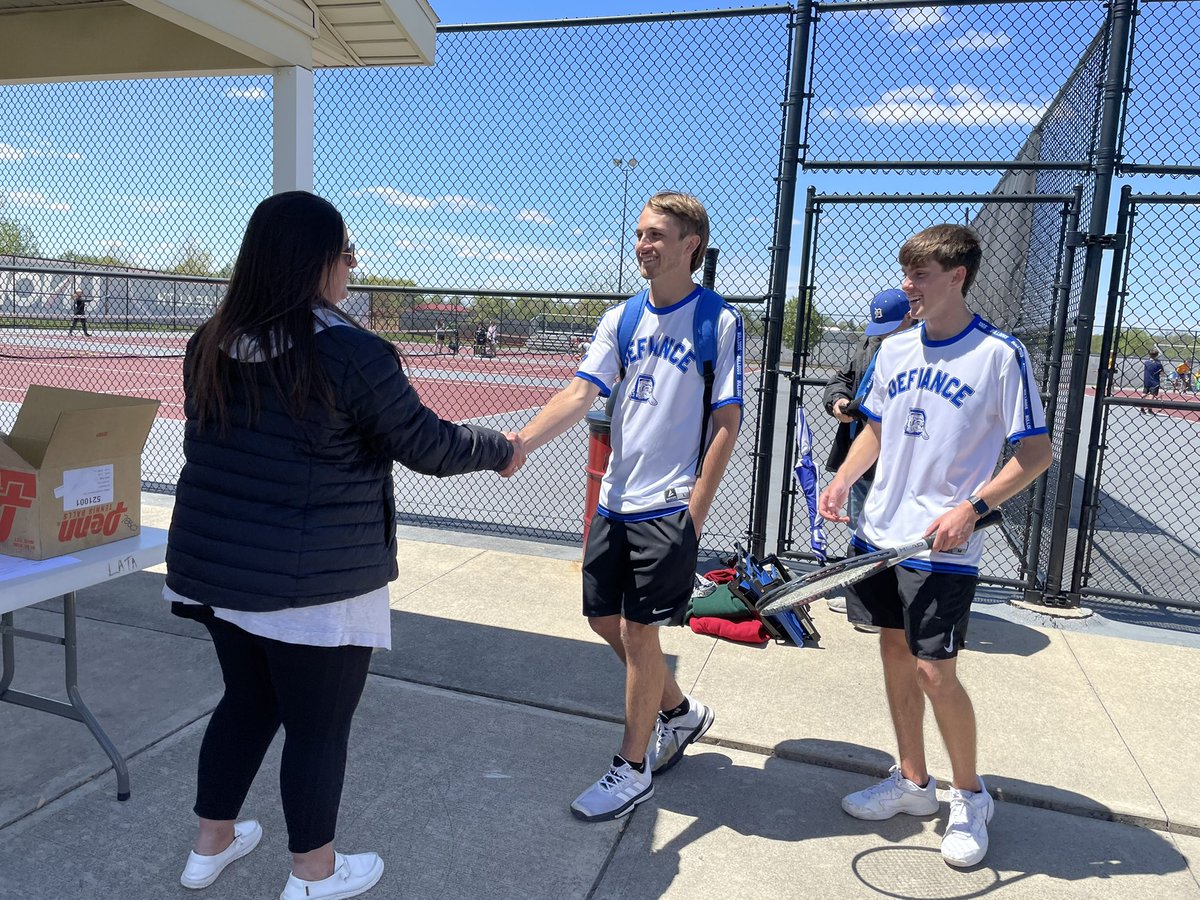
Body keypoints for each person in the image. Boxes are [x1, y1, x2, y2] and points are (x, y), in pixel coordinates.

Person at [164, 192, 519, 900]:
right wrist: (500, 448)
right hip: (317, 586)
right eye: (347, 255)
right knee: (317, 728)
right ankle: (313, 872)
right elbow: (427, 444)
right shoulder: (350, 351)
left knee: (247, 702)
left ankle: (210, 845)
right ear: (318, 260)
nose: (351, 269)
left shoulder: (210, 341)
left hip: (218, 571)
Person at [817, 224, 1052, 869]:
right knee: (895, 654)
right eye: (906, 274)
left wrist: (973, 509)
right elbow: (876, 429)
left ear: (958, 277)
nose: (908, 287)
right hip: (880, 535)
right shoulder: (894, 350)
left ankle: (970, 796)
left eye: (920, 276)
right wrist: (844, 478)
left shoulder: (999, 355)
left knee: (934, 671)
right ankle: (913, 782)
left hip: (942, 544)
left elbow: (1035, 454)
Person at [504, 191, 743, 822]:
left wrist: (695, 512)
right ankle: (681, 712)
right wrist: (521, 442)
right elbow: (581, 392)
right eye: (640, 234)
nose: (643, 245)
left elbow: (727, 422)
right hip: (615, 500)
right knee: (603, 621)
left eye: (656, 235)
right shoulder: (623, 317)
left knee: (641, 632)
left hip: (667, 506)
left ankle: (632, 767)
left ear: (691, 244)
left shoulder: (718, 321)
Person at [821, 288, 913, 627]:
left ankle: (889, 605)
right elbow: (842, 379)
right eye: (878, 329)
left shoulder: (920, 351)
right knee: (861, 526)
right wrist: (838, 402)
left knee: (895, 530)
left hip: (897, 458)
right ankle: (863, 601)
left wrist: (861, 408)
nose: (882, 336)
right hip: (861, 454)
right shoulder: (872, 343)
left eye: (889, 328)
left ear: (910, 317)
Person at [1142, 348, 1164, 413]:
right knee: (1152, 395)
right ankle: (1149, 409)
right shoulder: (1158, 364)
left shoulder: (1146, 362)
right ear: (1157, 355)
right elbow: (1162, 373)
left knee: (1144, 393)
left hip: (1147, 380)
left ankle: (1142, 407)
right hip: (1154, 381)